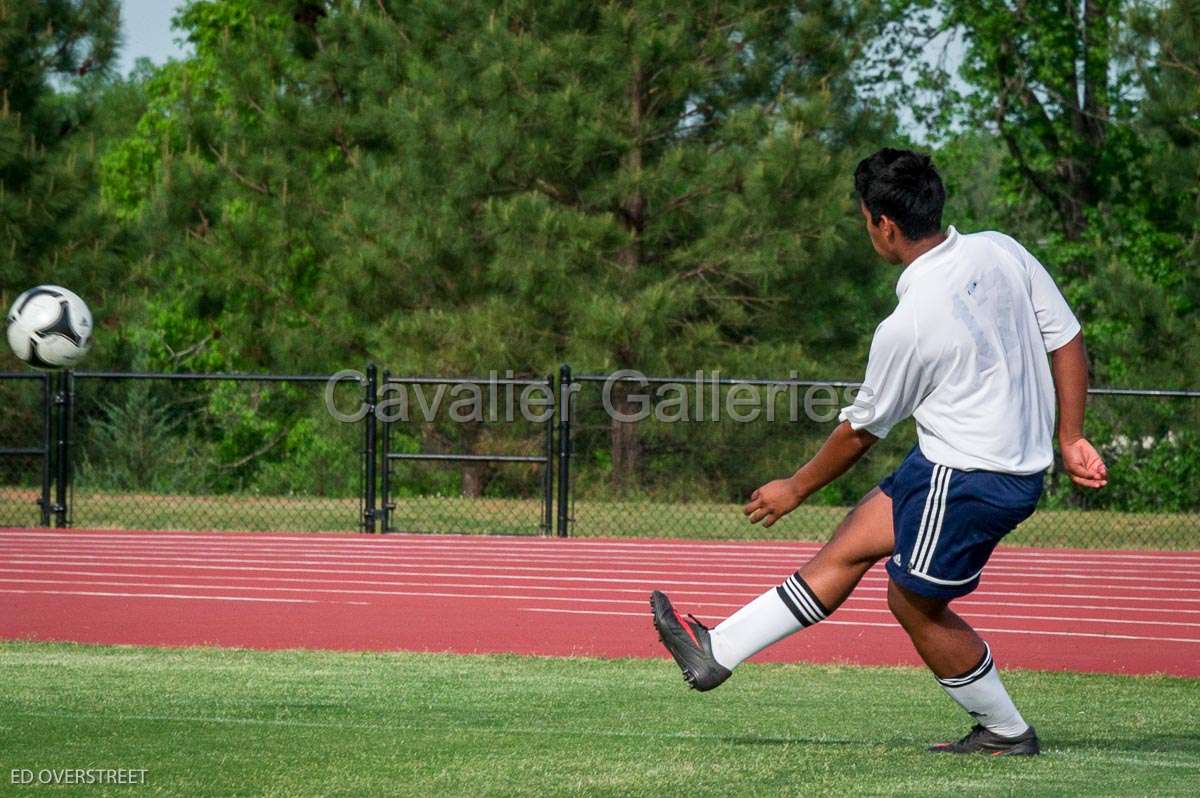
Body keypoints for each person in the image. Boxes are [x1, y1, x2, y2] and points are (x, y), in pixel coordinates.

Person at [650, 147, 1108, 756]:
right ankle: (718, 652)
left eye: (864, 217)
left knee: (913, 603)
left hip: (972, 476)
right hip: (959, 461)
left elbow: (861, 431)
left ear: (883, 225)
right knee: (854, 541)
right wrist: (1070, 435)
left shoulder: (910, 321)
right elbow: (1068, 338)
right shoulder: (1000, 247)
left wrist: (796, 486)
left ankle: (1004, 730)